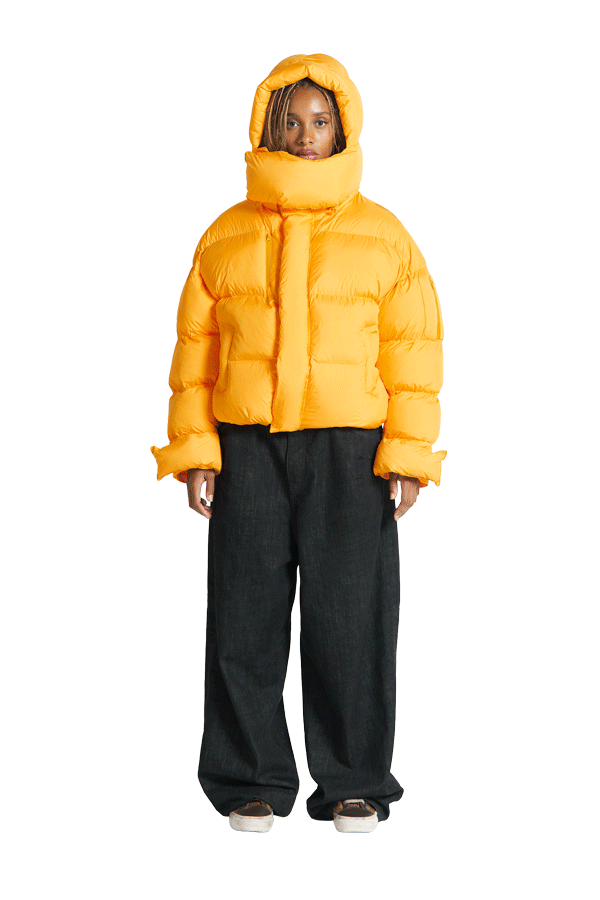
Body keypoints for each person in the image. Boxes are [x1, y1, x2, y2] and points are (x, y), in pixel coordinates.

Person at [150, 52, 447, 834]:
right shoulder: (225, 235)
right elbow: (196, 351)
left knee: (352, 619)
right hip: (248, 448)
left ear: (342, 129)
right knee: (242, 617)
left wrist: (407, 457)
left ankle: (354, 782)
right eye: (292, 120)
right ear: (268, 126)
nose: (307, 134)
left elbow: (414, 352)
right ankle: (248, 778)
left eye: (321, 121)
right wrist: (197, 452)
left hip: (351, 452)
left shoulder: (383, 237)